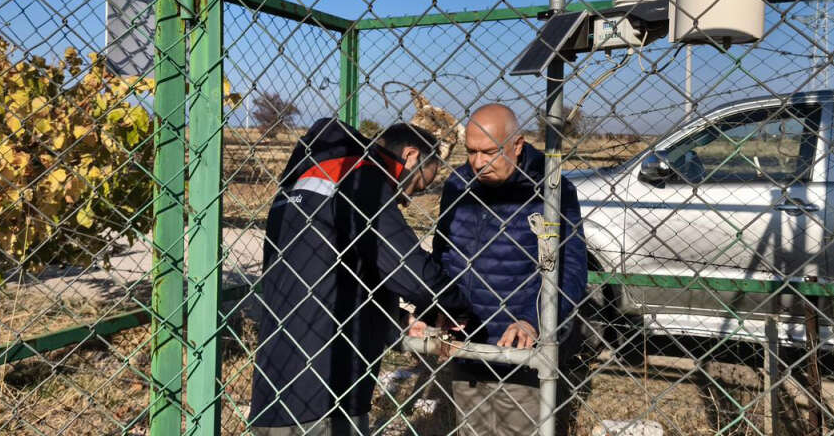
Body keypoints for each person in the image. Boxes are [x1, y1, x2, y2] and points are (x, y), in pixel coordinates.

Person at [248, 119, 473, 435]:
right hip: (326, 392)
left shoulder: (303, 178)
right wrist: (461, 309)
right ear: (409, 155)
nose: (408, 199)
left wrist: (392, 316)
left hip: (274, 386)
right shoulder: (360, 175)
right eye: (418, 185)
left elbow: (327, 272)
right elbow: (411, 271)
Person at [430, 103, 588, 435]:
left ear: (516, 145)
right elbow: (442, 253)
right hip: (467, 342)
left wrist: (535, 320)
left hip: (520, 350)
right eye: (470, 151)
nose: (477, 163)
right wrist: (439, 305)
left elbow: (569, 269)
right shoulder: (458, 184)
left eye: (489, 152)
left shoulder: (551, 189)